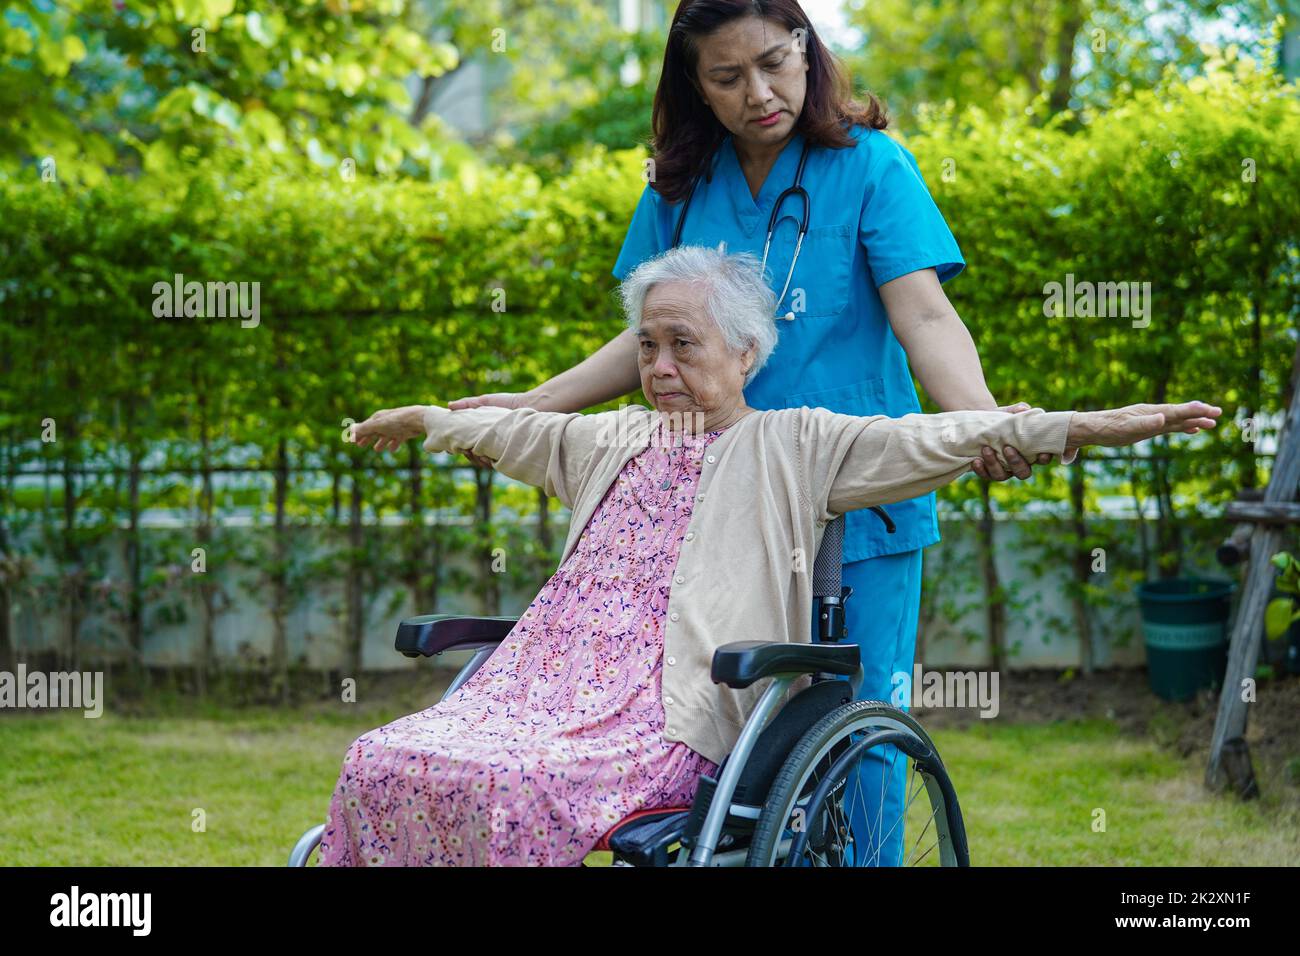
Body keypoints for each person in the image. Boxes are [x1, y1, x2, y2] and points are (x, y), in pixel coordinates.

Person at [319, 245, 1219, 866]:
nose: (661, 364)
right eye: (648, 345)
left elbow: (944, 436)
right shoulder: (605, 442)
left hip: (666, 717)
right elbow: (508, 430)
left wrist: (1102, 425)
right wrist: (430, 420)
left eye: (684, 343)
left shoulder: (799, 444)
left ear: (747, 352)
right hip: (539, 697)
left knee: (514, 786)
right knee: (383, 756)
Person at [447, 0, 1068, 865]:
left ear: (807, 50)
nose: (761, 93)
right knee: (710, 730)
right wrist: (533, 405)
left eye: (775, 62)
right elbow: (645, 342)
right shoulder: (678, 190)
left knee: (860, 738)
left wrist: (982, 422)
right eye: (728, 76)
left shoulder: (873, 168)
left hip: (859, 506)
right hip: (712, 507)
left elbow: (925, 314)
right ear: (694, 86)